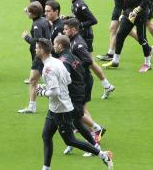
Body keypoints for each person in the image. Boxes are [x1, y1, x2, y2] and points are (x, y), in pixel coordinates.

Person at [35, 39, 114, 169]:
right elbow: (67, 79)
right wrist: (47, 85)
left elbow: (54, 92)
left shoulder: (47, 69)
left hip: (61, 109)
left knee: (70, 140)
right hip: (55, 108)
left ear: (42, 51)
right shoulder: (58, 61)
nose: (35, 50)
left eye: (37, 48)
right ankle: (46, 168)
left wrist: (42, 92)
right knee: (46, 135)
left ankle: (103, 155)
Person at [53, 35, 104, 157]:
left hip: (73, 95)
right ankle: (71, 144)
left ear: (60, 46)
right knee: (69, 120)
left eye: (54, 44)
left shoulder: (63, 61)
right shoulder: (71, 56)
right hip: (79, 91)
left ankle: (95, 147)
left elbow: (65, 80)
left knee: (77, 122)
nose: (53, 46)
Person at [102, 0, 153, 73]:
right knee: (120, 35)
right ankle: (115, 61)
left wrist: (137, 10)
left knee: (142, 39)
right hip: (128, 15)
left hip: (140, 15)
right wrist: (123, 13)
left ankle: (147, 63)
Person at [64, 18, 108, 145]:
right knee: (80, 111)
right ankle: (93, 131)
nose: (64, 31)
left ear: (73, 30)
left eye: (66, 29)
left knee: (78, 112)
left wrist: (75, 66)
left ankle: (96, 131)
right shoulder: (72, 41)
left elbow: (88, 60)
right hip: (81, 80)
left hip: (84, 81)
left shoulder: (78, 44)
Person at [67, 0, 114, 99]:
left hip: (85, 36)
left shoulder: (80, 5)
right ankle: (106, 85)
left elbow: (93, 20)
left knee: (89, 62)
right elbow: (79, 18)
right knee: (89, 62)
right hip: (82, 35)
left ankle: (106, 85)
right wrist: (68, 18)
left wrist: (78, 25)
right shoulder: (75, 3)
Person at [19, 2, 52, 114]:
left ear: (33, 13)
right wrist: (28, 10)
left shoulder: (36, 24)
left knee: (33, 81)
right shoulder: (43, 19)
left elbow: (37, 41)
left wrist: (26, 37)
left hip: (40, 56)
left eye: (28, 12)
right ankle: (33, 105)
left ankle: (32, 106)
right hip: (46, 54)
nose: (27, 13)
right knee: (40, 80)